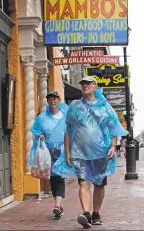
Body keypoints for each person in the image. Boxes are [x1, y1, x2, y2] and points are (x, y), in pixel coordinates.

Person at [52, 76, 128, 228]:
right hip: (79, 153)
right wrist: (67, 152)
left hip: (102, 153)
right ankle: (86, 213)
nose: (85, 86)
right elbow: (68, 130)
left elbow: (114, 129)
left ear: (95, 86)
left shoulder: (104, 107)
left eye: (88, 83)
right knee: (83, 183)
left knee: (99, 184)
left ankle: (96, 213)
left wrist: (113, 147)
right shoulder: (75, 106)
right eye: (83, 84)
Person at [29, 91, 68, 218]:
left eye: (55, 99)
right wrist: (39, 136)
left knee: (59, 177)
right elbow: (35, 130)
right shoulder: (41, 118)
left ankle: (57, 205)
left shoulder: (65, 116)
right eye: (50, 99)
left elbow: (71, 131)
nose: (53, 101)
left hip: (61, 150)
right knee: (52, 177)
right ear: (47, 101)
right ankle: (58, 205)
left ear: (59, 100)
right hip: (48, 151)